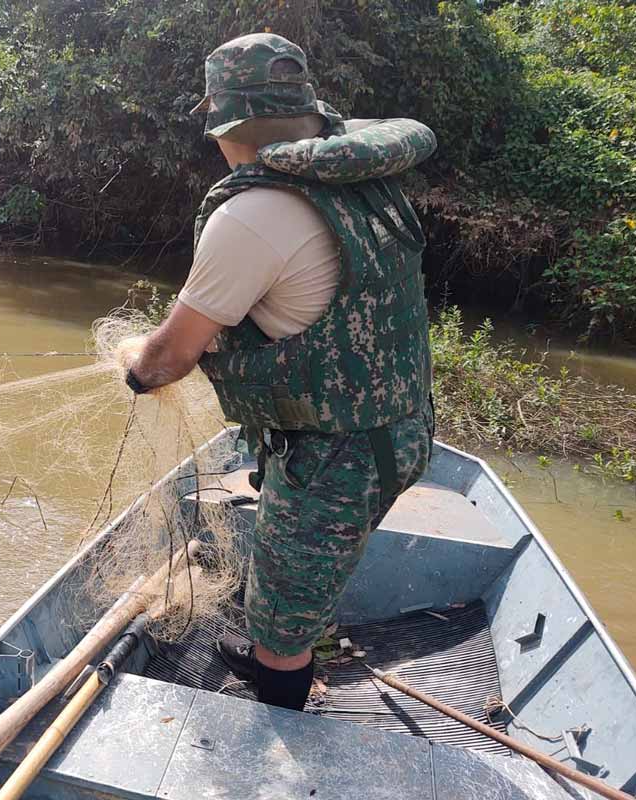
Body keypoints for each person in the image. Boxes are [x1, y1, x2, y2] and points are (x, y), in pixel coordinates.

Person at [120, 32, 437, 711]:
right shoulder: (364, 181)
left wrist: (132, 365)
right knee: (295, 561)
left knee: (283, 620)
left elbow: (169, 358)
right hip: (401, 423)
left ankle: (279, 702)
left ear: (226, 127)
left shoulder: (251, 215)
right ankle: (291, 629)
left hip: (339, 452)